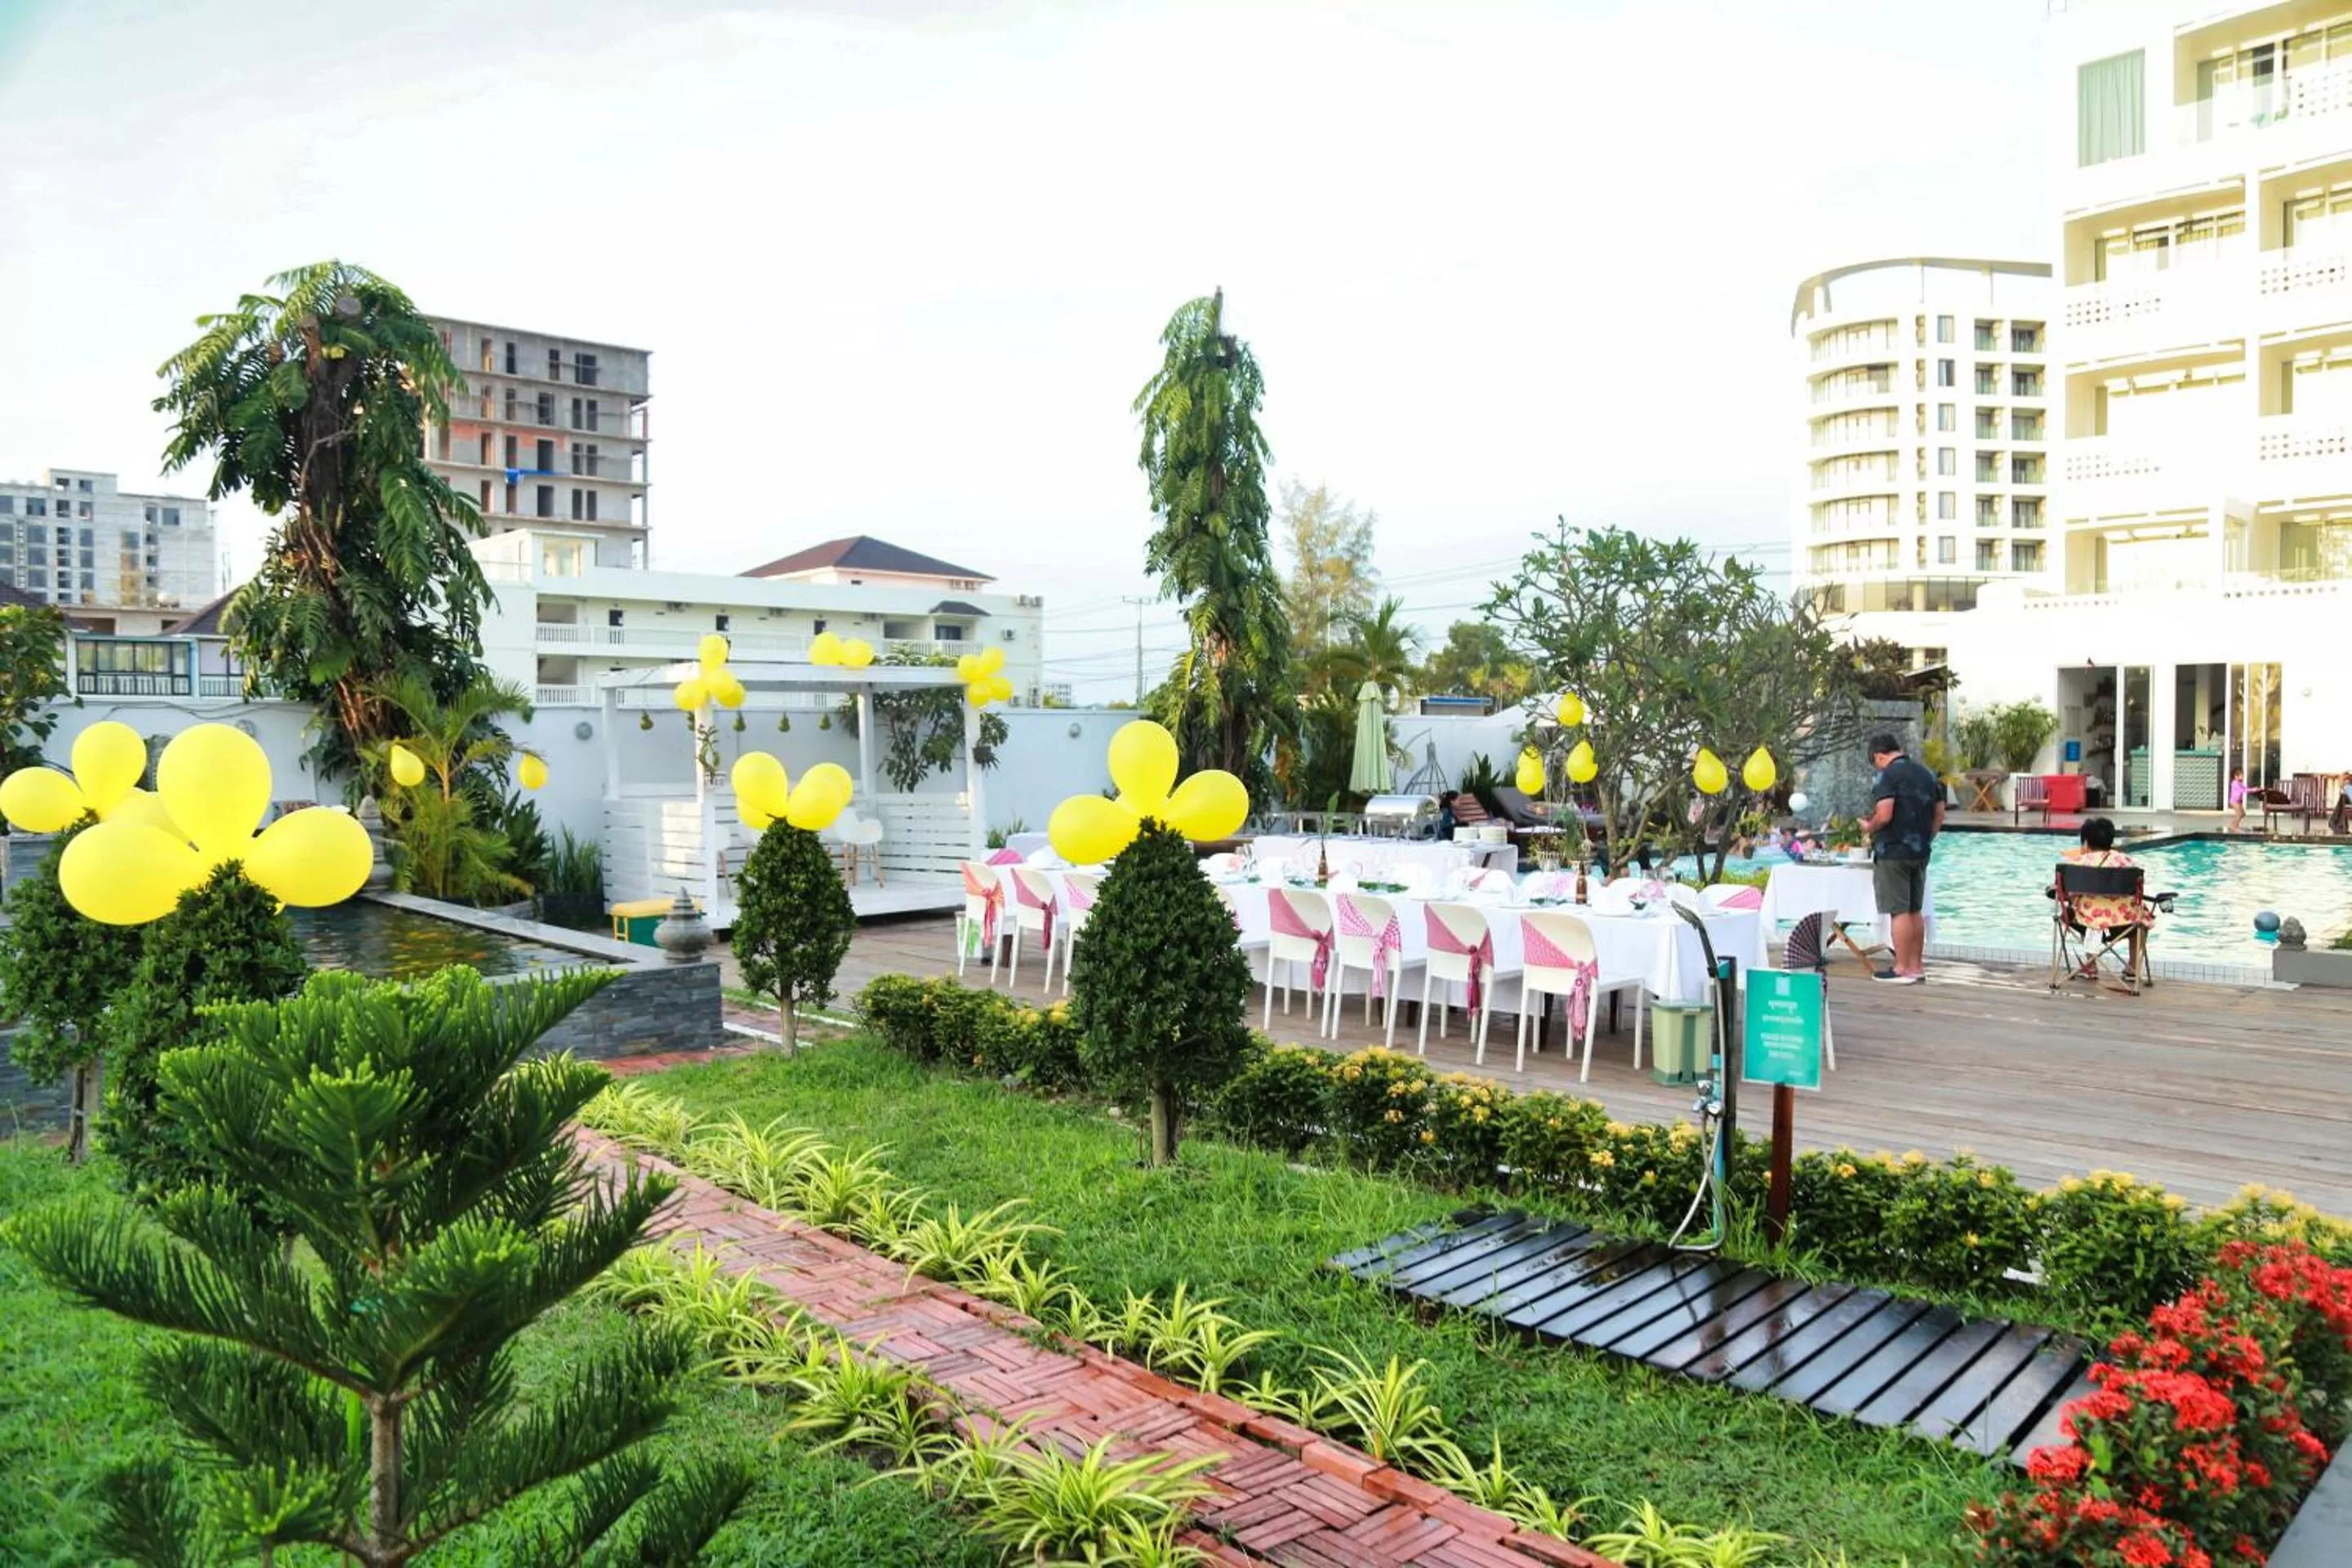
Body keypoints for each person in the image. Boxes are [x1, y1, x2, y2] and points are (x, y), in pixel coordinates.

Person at [1864, 732, 1942, 983]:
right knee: (1914, 909)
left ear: (1880, 756)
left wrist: (1869, 826)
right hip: (1920, 850)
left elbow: (1885, 814)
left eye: (1876, 762)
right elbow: (1939, 814)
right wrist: (1926, 838)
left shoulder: (1888, 776)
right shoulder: (1927, 773)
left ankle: (1901, 968)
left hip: (1894, 851)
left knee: (1899, 911)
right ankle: (1916, 967)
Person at [2052, 817, 2152, 975]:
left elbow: (2061, 892)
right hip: (2126, 925)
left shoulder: (2076, 864)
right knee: (2144, 917)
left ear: (2085, 843)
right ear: (2111, 841)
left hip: (2089, 923)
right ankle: (2133, 966)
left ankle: (2091, 965)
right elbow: (2140, 887)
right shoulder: (2127, 862)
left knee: (2079, 910)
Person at [2227, 767, 2248, 832]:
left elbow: (2245, 788)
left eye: (2243, 776)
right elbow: (2243, 790)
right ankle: (2235, 826)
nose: (2243, 777)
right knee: (2239, 814)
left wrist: (2255, 789)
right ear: (2236, 776)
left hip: (2238, 801)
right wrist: (2253, 790)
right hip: (2234, 801)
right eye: (2241, 776)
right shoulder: (2235, 783)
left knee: (2243, 814)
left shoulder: (2239, 783)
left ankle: (2233, 825)